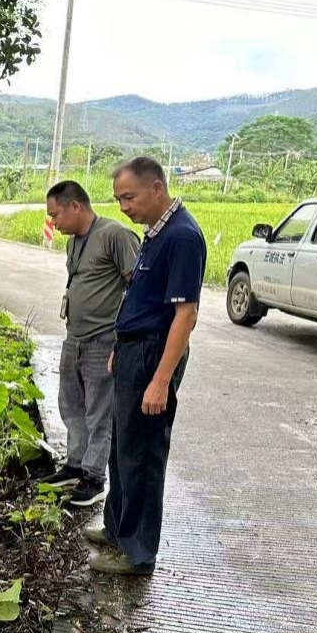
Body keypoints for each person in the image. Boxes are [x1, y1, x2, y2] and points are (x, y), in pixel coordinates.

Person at [86, 156, 206, 576]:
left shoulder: (182, 237)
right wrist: (124, 344)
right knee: (123, 448)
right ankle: (117, 530)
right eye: (119, 199)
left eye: (129, 197)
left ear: (157, 188)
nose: (124, 207)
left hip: (154, 355)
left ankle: (138, 554)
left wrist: (159, 379)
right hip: (135, 351)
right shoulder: (154, 234)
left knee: (143, 455)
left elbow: (185, 315)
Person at [37, 180, 140, 507]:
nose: (53, 223)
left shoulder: (115, 236)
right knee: (71, 405)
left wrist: (122, 339)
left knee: (99, 411)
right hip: (75, 338)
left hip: (103, 340)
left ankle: (94, 478)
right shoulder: (74, 243)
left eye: (56, 215)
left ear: (75, 207)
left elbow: (137, 287)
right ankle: (75, 464)